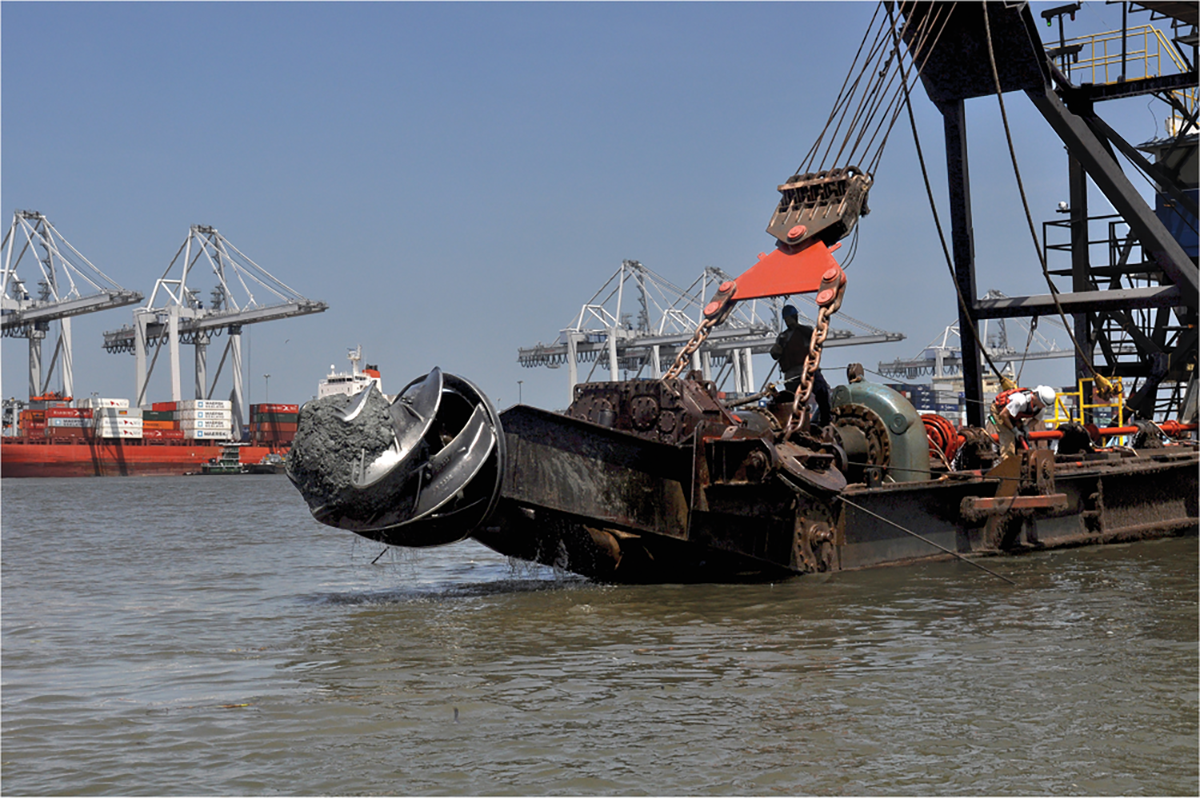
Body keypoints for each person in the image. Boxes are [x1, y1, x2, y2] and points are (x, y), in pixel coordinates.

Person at [770, 304, 831, 428]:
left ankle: (825, 420)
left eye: (790, 318)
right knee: (794, 401)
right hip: (792, 374)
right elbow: (775, 354)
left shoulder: (805, 331)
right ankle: (796, 425)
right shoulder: (783, 337)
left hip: (809, 370)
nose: (789, 322)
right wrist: (777, 349)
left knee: (822, 392)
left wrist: (797, 327)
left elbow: (815, 337)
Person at [990, 384, 1056, 458]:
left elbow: (1036, 419)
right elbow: (1004, 415)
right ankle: (1008, 460)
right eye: (1043, 404)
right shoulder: (1019, 401)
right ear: (1037, 397)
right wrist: (1014, 430)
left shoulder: (1040, 408)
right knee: (1008, 437)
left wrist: (1026, 427)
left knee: (1022, 436)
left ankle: (1021, 459)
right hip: (999, 411)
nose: (1044, 406)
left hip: (1013, 414)